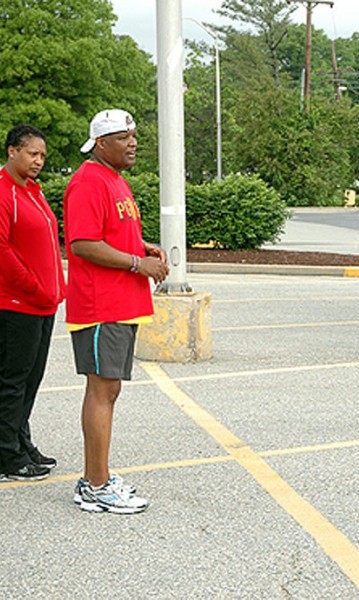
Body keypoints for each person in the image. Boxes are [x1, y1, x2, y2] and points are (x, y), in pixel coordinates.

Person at [65, 109, 169, 513]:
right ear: (101, 143)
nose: (133, 142)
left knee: (109, 390)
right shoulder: (89, 181)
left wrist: (141, 246)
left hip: (119, 305)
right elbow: (82, 244)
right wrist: (135, 263)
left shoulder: (114, 180)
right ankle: (96, 485)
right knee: (101, 390)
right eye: (124, 137)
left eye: (134, 136)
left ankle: (97, 478)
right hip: (99, 306)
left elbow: (113, 231)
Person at [0, 125, 66, 482]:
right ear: (13, 151)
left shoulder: (33, 192)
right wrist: (35, 288)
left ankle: (21, 442)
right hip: (16, 305)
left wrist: (54, 290)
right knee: (11, 382)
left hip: (43, 305)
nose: (39, 160)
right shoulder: (3, 192)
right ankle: (6, 456)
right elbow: (2, 251)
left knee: (30, 380)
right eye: (32, 154)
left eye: (42, 155)